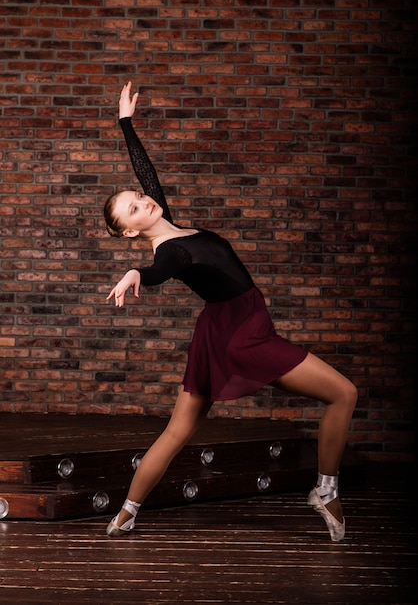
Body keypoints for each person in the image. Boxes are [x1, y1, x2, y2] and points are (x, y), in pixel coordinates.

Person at [103, 82, 358, 542]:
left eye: (137, 196)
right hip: (243, 332)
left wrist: (125, 123)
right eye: (134, 209)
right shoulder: (169, 252)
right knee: (343, 394)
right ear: (129, 233)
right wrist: (136, 273)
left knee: (178, 429)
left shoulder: (168, 222)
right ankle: (325, 489)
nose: (143, 200)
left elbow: (146, 171)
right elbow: (159, 269)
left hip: (218, 330)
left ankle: (125, 513)